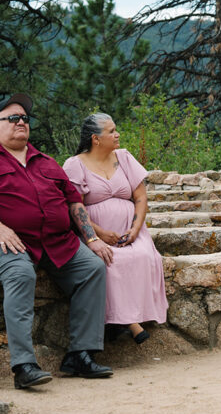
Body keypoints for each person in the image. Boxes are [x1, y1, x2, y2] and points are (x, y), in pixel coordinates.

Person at [0, 93, 114, 389]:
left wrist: (91, 240)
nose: (21, 122)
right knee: (21, 274)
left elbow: (74, 202)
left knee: (93, 268)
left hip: (59, 241)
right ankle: (24, 365)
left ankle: (79, 355)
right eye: (12, 118)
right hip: (13, 243)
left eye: (25, 118)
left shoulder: (46, 162)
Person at [63, 113, 168, 345]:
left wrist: (135, 228)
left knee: (145, 257)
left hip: (129, 231)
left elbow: (140, 197)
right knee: (110, 261)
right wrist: (99, 233)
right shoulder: (75, 164)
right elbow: (75, 206)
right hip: (95, 233)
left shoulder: (124, 157)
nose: (117, 134)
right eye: (111, 131)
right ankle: (129, 322)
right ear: (95, 139)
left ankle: (130, 318)